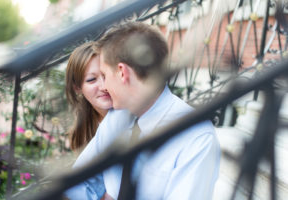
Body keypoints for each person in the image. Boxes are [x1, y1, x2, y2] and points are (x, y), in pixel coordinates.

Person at [68, 21, 220, 200]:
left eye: (105, 75)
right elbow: (78, 183)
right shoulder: (116, 119)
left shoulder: (195, 137)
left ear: (122, 72)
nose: (105, 87)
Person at [65, 42, 112, 152]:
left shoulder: (137, 111)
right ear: (77, 88)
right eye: (91, 80)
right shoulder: (82, 136)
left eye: (106, 75)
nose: (104, 86)